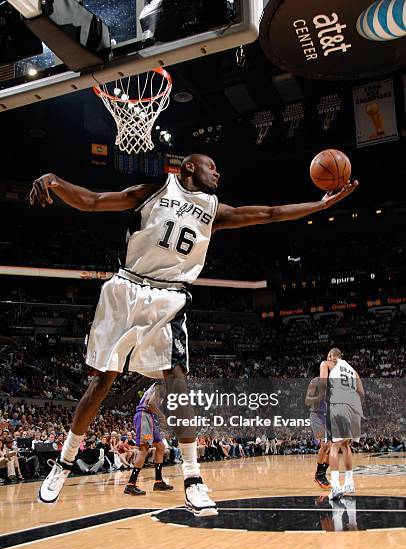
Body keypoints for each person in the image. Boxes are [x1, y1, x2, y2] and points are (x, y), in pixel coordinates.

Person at [30, 153, 358, 514]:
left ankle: (192, 478)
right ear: (189, 167)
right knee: (101, 383)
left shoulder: (214, 209)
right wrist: (55, 180)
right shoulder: (152, 192)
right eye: (211, 166)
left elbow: (269, 213)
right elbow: (91, 201)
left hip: (169, 296)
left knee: (177, 380)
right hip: (126, 290)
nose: (217, 172)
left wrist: (319, 204)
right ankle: (63, 463)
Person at [319, 348, 365, 501]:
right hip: (354, 407)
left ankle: (336, 487)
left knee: (334, 445)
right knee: (346, 445)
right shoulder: (353, 371)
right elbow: (362, 392)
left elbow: (323, 384)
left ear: (332, 356)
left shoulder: (327, 363)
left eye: (328, 356)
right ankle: (349, 483)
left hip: (338, 405)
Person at [124, 382, 173, 495]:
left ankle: (158, 482)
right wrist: (162, 416)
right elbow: (151, 404)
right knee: (144, 449)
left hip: (149, 418)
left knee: (161, 446)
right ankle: (130, 485)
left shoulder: (161, 388)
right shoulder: (160, 385)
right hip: (143, 416)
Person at [305, 361, 330, 489]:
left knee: (332, 449)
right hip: (317, 416)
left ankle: (323, 474)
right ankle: (318, 475)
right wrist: (319, 397)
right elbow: (307, 401)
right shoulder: (315, 382)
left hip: (329, 417)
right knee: (324, 445)